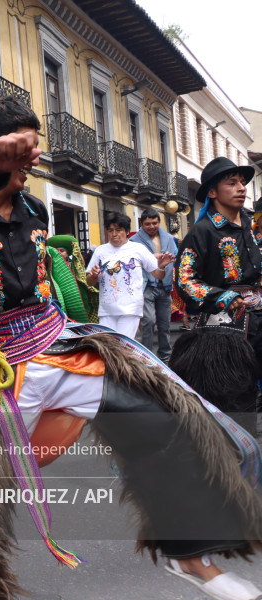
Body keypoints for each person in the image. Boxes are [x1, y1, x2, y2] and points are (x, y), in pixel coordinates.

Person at [0, 96, 262, 600]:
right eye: (25, 144)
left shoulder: (36, 210)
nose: (35, 153)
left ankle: (188, 553)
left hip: (58, 346)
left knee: (165, 419)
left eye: (35, 143)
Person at [171, 157, 261, 436]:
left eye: (243, 182)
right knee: (233, 403)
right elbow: (184, 280)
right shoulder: (202, 231)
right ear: (212, 192)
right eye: (231, 183)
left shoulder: (250, 228)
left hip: (258, 321)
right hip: (224, 332)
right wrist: (222, 296)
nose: (241, 188)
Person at [86, 212, 173, 339]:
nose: (114, 234)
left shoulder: (138, 249)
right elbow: (89, 282)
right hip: (106, 310)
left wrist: (161, 266)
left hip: (130, 309)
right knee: (107, 346)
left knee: (122, 346)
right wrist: (93, 275)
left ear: (127, 231)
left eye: (118, 230)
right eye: (110, 230)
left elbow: (158, 275)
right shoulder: (100, 251)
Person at [132, 207, 178, 361]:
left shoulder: (169, 239)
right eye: (147, 224)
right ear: (141, 225)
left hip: (164, 287)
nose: (151, 226)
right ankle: (146, 356)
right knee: (149, 321)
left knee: (165, 324)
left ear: (159, 222)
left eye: (154, 223)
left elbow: (176, 257)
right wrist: (152, 257)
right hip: (146, 287)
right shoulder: (134, 242)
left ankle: (165, 357)